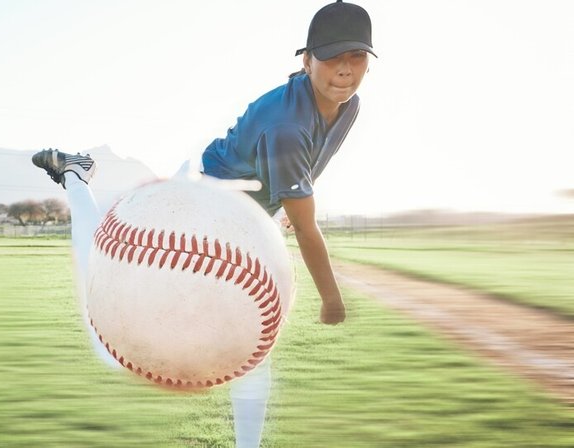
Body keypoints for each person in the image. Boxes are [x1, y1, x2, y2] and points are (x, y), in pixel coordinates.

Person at [31, 1, 375, 446]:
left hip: (243, 218)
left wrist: (283, 203)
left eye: (357, 57)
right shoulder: (286, 124)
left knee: (253, 338)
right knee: (109, 345)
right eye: (331, 57)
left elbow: (308, 163)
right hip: (195, 207)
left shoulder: (347, 105)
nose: (345, 70)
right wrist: (331, 299)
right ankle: (76, 176)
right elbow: (307, 224)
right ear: (306, 60)